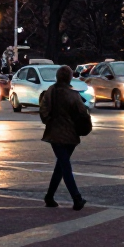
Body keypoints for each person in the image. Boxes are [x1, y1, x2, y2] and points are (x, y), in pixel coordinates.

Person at [38, 65, 90, 211]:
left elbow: (43, 109)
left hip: (54, 134)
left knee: (61, 166)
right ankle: (76, 198)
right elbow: (83, 114)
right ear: (70, 77)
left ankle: (49, 197)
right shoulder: (73, 95)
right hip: (71, 135)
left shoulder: (51, 91)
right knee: (65, 166)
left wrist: (48, 120)